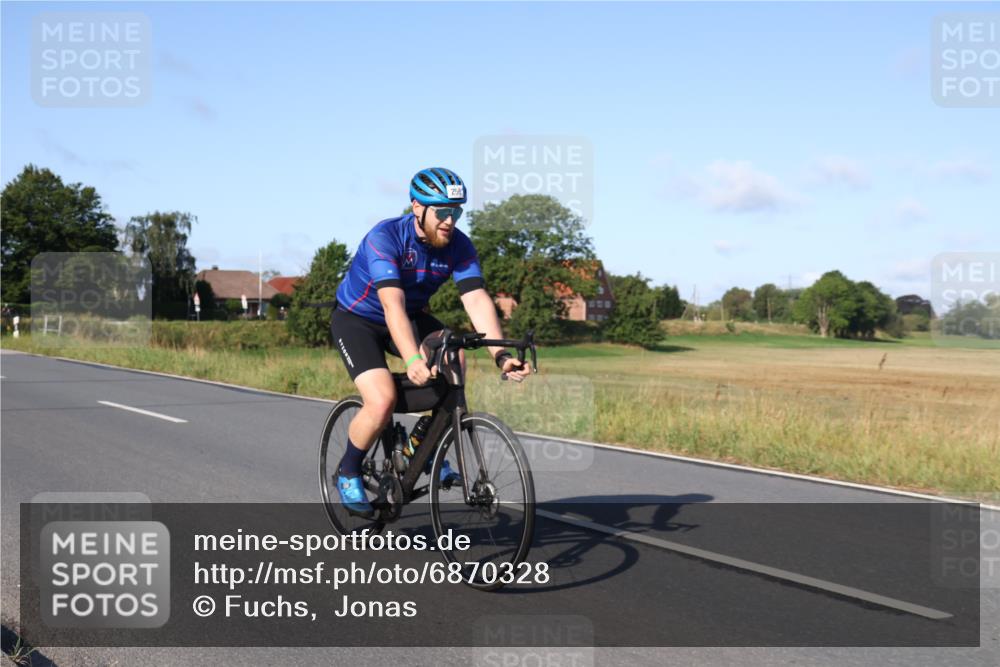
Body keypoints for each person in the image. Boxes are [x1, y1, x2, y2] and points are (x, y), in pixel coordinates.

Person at [331, 167, 531, 517]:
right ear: (417, 208)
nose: (449, 221)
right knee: (382, 399)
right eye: (442, 212)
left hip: (410, 314)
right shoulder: (385, 238)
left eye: (456, 212)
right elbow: (392, 305)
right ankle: (348, 471)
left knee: (454, 359)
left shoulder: (459, 245)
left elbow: (476, 299)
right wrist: (412, 360)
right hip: (359, 320)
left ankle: (423, 449)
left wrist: (500, 354)